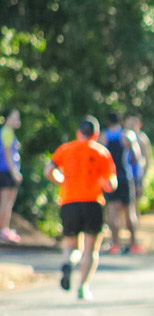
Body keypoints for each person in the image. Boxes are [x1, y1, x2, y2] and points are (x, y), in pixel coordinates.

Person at [43, 116, 117, 300]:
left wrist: (61, 180)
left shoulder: (65, 149)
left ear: (78, 132)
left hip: (69, 202)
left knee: (71, 245)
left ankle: (69, 261)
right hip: (92, 202)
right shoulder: (101, 152)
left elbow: (48, 171)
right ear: (96, 134)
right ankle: (83, 287)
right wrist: (105, 184)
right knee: (91, 249)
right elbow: (111, 183)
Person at [99, 113, 143, 254]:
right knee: (129, 211)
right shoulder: (127, 135)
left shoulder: (103, 137)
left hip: (110, 177)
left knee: (112, 211)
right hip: (125, 177)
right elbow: (137, 157)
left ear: (107, 122)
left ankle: (115, 244)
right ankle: (134, 244)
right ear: (121, 121)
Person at [0, 109, 23, 244]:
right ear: (7, 118)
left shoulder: (6, 132)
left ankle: (4, 229)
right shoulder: (7, 132)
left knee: (6, 202)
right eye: (15, 117)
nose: (17, 120)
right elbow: (8, 153)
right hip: (7, 171)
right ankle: (4, 229)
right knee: (6, 202)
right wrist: (14, 172)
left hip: (5, 171)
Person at [125, 114, 154, 210]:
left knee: (134, 204)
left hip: (137, 174)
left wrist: (143, 177)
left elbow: (147, 159)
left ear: (140, 124)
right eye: (130, 121)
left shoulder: (142, 139)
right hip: (124, 174)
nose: (131, 124)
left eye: (134, 122)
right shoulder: (122, 136)